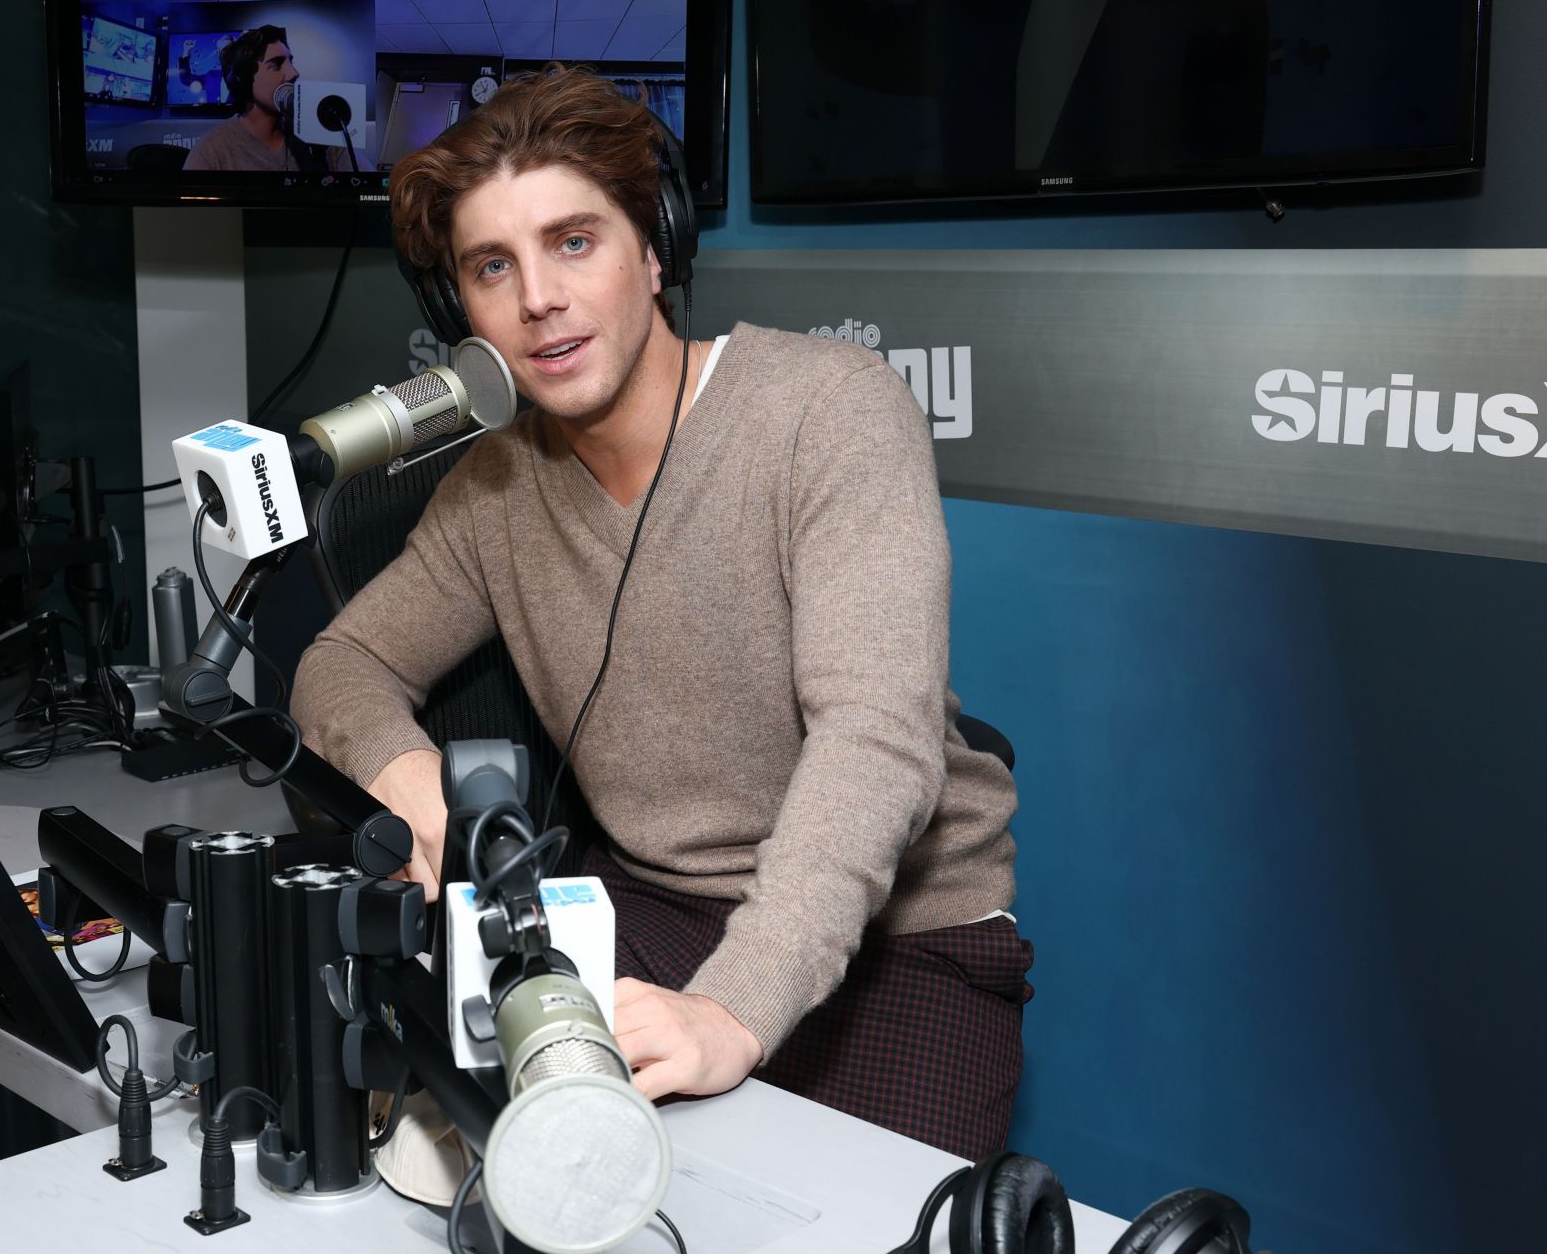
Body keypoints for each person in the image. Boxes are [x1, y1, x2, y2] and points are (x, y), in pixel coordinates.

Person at [290, 67, 1030, 1158]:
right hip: (648, 912)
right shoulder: (493, 489)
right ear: (463, 313)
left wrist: (736, 1004)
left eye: (574, 241)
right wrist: (401, 766)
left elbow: (876, 740)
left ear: (655, 247)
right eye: (494, 266)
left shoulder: (829, 408)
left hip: (902, 941)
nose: (538, 296)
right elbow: (341, 660)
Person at [182, 25, 327, 172]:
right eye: (276, 64)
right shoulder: (209, 153)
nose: (294, 73)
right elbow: (187, 79)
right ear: (244, 79)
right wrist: (185, 53)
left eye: (291, 62)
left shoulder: (322, 137)